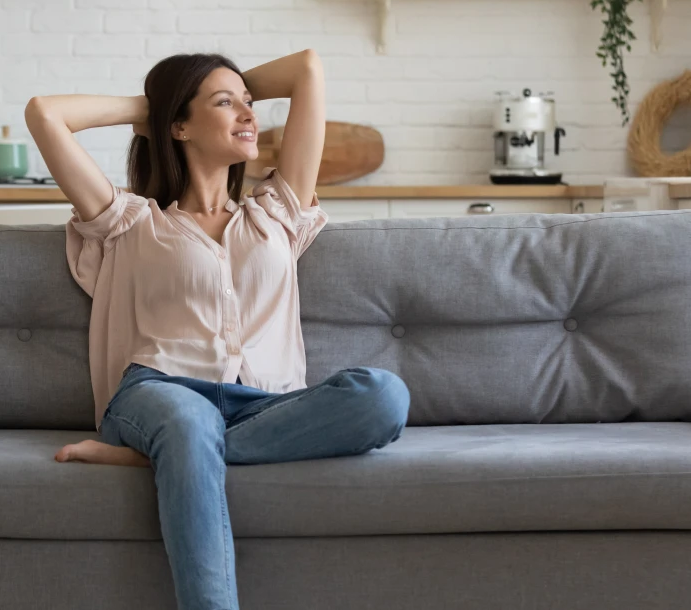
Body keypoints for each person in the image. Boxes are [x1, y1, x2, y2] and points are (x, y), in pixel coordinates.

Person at [24, 49, 410, 610]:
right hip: (160, 392)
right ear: (177, 127)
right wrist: (155, 108)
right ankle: (179, 447)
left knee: (384, 395)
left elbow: (306, 68)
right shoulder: (130, 221)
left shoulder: (278, 212)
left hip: (266, 406)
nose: (249, 115)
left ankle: (172, 455)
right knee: (187, 419)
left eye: (250, 103)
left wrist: (221, 95)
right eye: (226, 104)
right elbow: (45, 113)